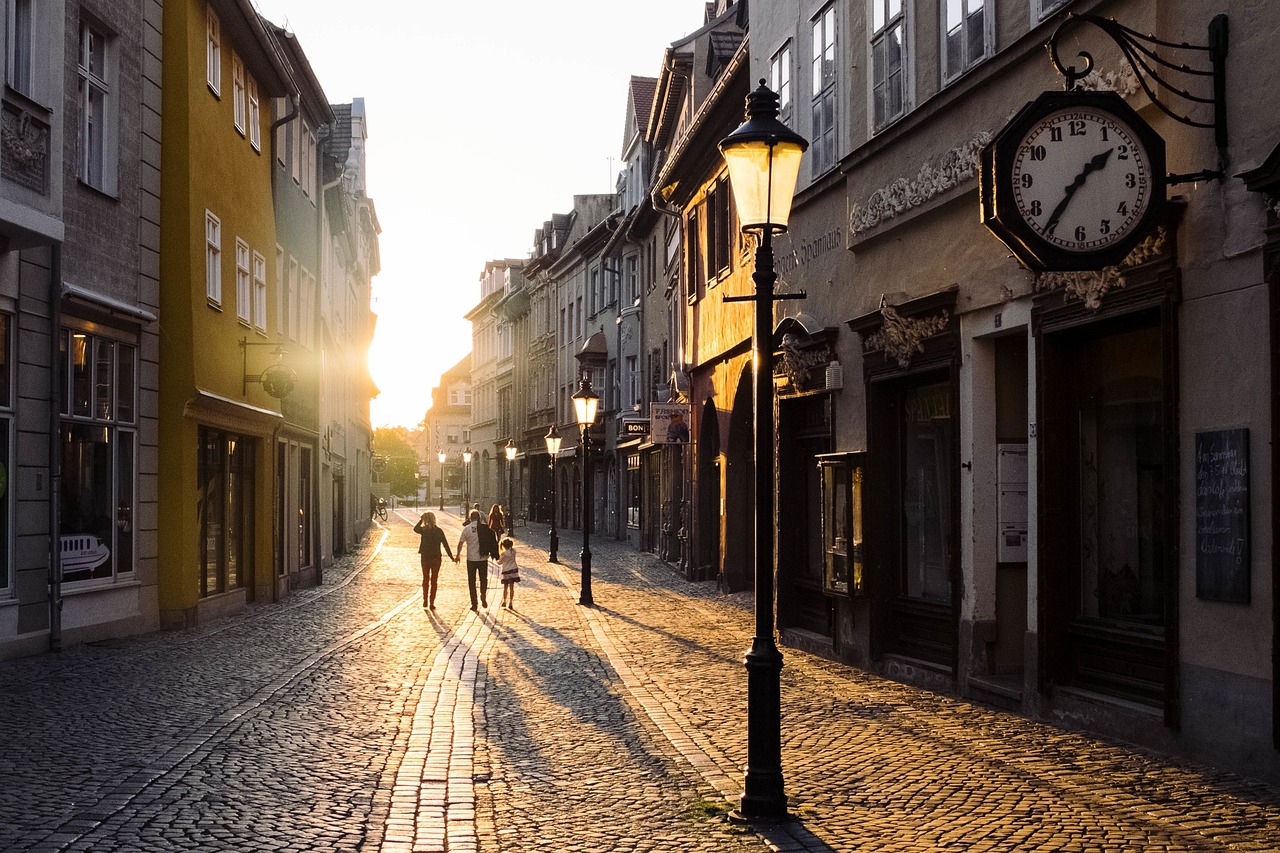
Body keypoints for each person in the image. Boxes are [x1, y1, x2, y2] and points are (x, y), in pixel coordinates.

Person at [454, 509, 499, 610]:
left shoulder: (467, 529)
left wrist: (458, 555)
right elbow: (492, 539)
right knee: (483, 579)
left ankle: (474, 604)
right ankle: (483, 594)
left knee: (472, 581)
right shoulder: (485, 529)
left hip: (471, 559)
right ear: (479, 517)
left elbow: (460, 543)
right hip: (483, 558)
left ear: (470, 518)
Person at [413, 511, 453, 610]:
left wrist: (421, 519)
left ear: (426, 520)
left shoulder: (424, 530)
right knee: (434, 580)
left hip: (425, 557)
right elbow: (445, 544)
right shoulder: (439, 531)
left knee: (425, 578)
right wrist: (451, 557)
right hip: (436, 558)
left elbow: (415, 529)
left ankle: (425, 600)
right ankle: (432, 602)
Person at [498, 537, 520, 609]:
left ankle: (504, 601)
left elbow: (500, 562)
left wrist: (496, 560)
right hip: (513, 570)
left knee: (505, 588)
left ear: (503, 546)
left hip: (506, 571)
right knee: (511, 587)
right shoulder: (513, 551)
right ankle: (511, 602)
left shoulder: (503, 554)